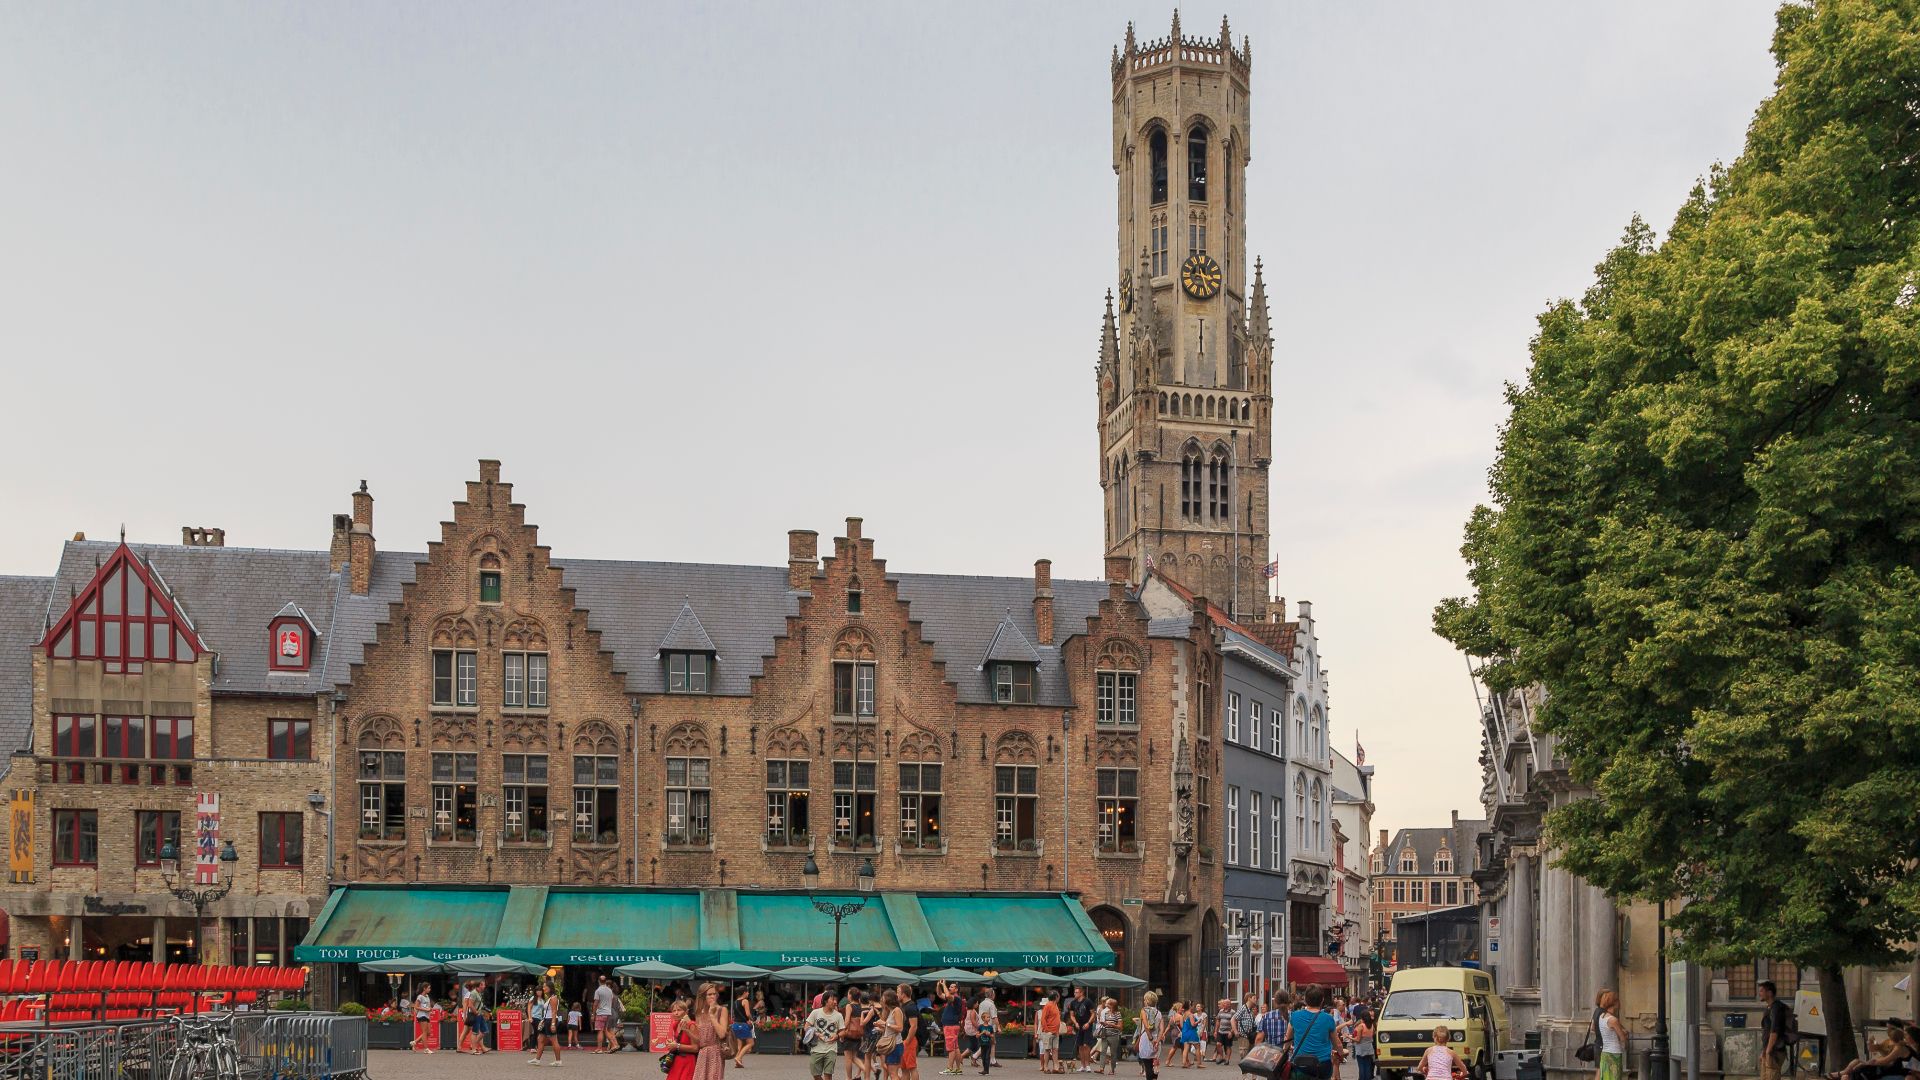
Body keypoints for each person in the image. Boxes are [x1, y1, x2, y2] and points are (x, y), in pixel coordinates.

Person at [1287, 987, 1340, 1080]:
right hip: (1322, 1064)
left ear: (1305, 1000)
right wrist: (1341, 1053)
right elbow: (1337, 1043)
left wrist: (1285, 1049)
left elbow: (1288, 1037)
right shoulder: (1328, 1019)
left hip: (1301, 1063)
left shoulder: (1295, 1016)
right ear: (1322, 1000)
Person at [690, 983, 732, 1080]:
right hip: (702, 1053)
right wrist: (687, 1030)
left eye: (714, 994)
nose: (713, 996)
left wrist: (712, 1016)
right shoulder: (698, 1013)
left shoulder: (722, 1010)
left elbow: (722, 1034)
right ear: (702, 996)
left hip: (715, 1052)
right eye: (709, 994)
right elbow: (698, 1040)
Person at [806, 991, 848, 1080]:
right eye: (833, 999)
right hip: (816, 1048)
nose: (835, 1002)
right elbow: (806, 1027)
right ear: (825, 1001)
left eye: (836, 1000)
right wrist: (817, 1034)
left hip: (831, 1049)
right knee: (815, 1074)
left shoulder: (838, 1016)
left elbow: (843, 1031)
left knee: (828, 1074)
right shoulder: (815, 1013)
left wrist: (836, 1036)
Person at [1760, 982, 1791, 1080]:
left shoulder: (1776, 1008)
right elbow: (1767, 1031)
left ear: (1769, 993)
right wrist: (1764, 1051)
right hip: (1768, 1050)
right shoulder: (1769, 1008)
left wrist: (1769, 1050)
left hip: (1775, 1050)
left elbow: (1774, 1031)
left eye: (1761, 991)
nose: (1759, 993)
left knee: (1772, 1076)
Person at [529, 983, 565, 1066]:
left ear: (550, 988)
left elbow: (554, 1011)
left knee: (554, 1040)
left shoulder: (553, 998)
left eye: (545, 987)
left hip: (550, 1020)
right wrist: (543, 1020)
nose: (543, 988)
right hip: (546, 1020)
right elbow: (547, 1012)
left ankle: (558, 1061)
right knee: (540, 1039)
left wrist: (552, 1024)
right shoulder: (549, 998)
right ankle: (537, 1059)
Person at [665, 998, 700, 1080]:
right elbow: (679, 1041)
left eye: (679, 1010)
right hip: (676, 1061)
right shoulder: (675, 1024)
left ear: (686, 1012)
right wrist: (672, 1044)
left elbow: (695, 1048)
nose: (676, 1013)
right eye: (674, 1011)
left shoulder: (691, 1025)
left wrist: (677, 1046)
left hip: (688, 1061)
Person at [1593, 990, 1626, 1080]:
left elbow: (1593, 1028)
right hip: (1614, 1052)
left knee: (1603, 1075)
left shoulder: (1600, 1015)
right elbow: (1622, 1038)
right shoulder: (1613, 1020)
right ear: (1614, 1003)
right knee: (1614, 1077)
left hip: (1604, 1051)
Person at [940, 981, 968, 1075]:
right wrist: (938, 985)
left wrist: (944, 984)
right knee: (955, 1048)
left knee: (951, 1048)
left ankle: (949, 1068)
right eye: (949, 986)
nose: (950, 988)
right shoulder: (953, 998)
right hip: (952, 1025)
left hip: (950, 1026)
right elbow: (940, 994)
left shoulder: (955, 998)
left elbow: (947, 996)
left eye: (952, 987)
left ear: (956, 989)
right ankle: (958, 1069)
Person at [843, 989, 872, 1080]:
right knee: (854, 1056)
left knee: (848, 1058)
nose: (847, 995)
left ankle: (849, 1078)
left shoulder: (849, 1006)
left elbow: (847, 1020)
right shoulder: (861, 1006)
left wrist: (842, 1031)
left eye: (848, 993)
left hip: (850, 1034)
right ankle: (866, 1071)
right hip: (859, 1034)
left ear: (851, 995)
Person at [1136, 991, 1165, 1080]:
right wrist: (1158, 1040)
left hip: (1147, 1038)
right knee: (1154, 1062)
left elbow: (1146, 1025)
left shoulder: (1144, 1010)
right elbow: (1162, 1029)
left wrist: (1151, 1039)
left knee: (1147, 1064)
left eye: (1145, 999)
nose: (1144, 1001)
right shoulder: (1159, 1013)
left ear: (1147, 1000)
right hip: (1157, 1038)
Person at [1069, 987, 1097, 1073]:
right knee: (1080, 1046)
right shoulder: (1073, 1003)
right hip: (1078, 1026)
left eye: (1076, 992)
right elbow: (1072, 1015)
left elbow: (1093, 1014)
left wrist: (1088, 1023)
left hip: (1087, 1025)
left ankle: (1087, 1065)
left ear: (1081, 993)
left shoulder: (1088, 1001)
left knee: (1086, 1045)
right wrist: (1075, 1023)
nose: (1075, 994)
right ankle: (1082, 1065)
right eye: (1074, 992)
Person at [1345, 1005, 1376, 1080]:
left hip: (1361, 1048)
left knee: (1361, 1066)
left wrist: (1348, 1037)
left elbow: (1358, 1039)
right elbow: (1373, 1034)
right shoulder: (1371, 1026)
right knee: (1368, 1066)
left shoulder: (1361, 1026)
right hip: (1369, 1048)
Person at [1095, 997, 1125, 1075]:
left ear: (1112, 1005)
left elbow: (1120, 1027)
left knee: (1113, 1053)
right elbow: (1102, 1021)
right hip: (1105, 1034)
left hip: (1114, 1035)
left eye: (1107, 1003)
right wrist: (1103, 1023)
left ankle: (1112, 1069)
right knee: (1103, 1051)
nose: (1105, 1004)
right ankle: (1101, 1068)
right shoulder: (1105, 1013)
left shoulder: (1117, 1014)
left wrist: (1110, 1024)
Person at [592, 975, 620, 1053]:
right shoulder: (609, 990)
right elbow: (611, 1000)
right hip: (608, 1012)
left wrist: (593, 1014)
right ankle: (615, 1044)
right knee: (606, 1030)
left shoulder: (598, 991)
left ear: (599, 981)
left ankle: (599, 1048)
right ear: (605, 981)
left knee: (600, 1030)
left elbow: (595, 1003)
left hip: (601, 1012)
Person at [976, 988, 1000, 1076]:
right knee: (990, 1044)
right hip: (990, 1027)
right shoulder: (991, 1004)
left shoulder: (982, 1003)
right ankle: (986, 1062)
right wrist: (999, 1027)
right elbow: (994, 1017)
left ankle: (989, 1063)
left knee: (984, 1045)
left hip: (982, 1026)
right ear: (992, 995)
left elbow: (980, 1016)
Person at [1038, 991, 1063, 1074]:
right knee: (1047, 1050)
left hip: (1055, 1031)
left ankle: (1056, 1067)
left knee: (1055, 1049)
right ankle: (1045, 1067)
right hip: (1048, 1032)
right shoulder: (1048, 1005)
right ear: (1056, 997)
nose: (1059, 997)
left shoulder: (1055, 1005)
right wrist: (1047, 1030)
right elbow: (1043, 1019)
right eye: (1058, 996)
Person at [734, 985, 758, 1067]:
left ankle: (738, 1063)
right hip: (743, 1025)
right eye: (747, 992)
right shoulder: (745, 1001)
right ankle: (738, 1058)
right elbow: (748, 1014)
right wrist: (752, 1019)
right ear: (744, 992)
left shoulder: (735, 1001)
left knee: (739, 1045)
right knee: (751, 1043)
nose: (748, 993)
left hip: (736, 1025)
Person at [410, 982, 436, 1054]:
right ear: (424, 988)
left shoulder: (427, 996)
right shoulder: (420, 997)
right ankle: (426, 1049)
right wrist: (426, 1010)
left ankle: (415, 1042)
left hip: (427, 1015)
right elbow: (416, 1006)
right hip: (421, 1015)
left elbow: (427, 1006)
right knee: (424, 1032)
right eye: (428, 988)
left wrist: (430, 1008)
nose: (430, 989)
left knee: (428, 1033)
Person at [1212, 999, 1235, 1064]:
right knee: (1218, 1044)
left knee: (1228, 1046)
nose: (1223, 1005)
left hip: (1228, 1032)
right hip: (1220, 1031)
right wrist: (1216, 1031)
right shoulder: (1221, 1011)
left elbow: (1235, 1023)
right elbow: (1218, 1020)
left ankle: (1227, 1059)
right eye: (1223, 1003)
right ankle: (1221, 1056)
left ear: (1228, 1004)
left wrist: (1231, 1031)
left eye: (1224, 1004)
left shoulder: (1233, 1012)